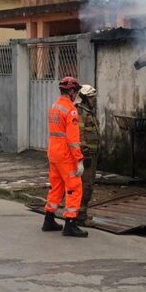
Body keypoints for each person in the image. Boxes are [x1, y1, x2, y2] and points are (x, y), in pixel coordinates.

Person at [42, 75, 87, 237]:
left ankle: (48, 220)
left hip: (53, 153)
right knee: (74, 188)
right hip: (66, 155)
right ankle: (70, 224)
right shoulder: (71, 110)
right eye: (76, 91)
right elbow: (73, 139)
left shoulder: (54, 106)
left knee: (57, 187)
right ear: (72, 91)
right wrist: (79, 159)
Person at [76, 84, 100, 226]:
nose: (94, 100)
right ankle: (80, 216)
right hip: (86, 155)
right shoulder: (81, 112)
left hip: (92, 154)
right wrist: (84, 151)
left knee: (88, 184)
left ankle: (81, 213)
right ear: (85, 98)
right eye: (91, 98)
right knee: (86, 185)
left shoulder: (88, 111)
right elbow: (79, 134)